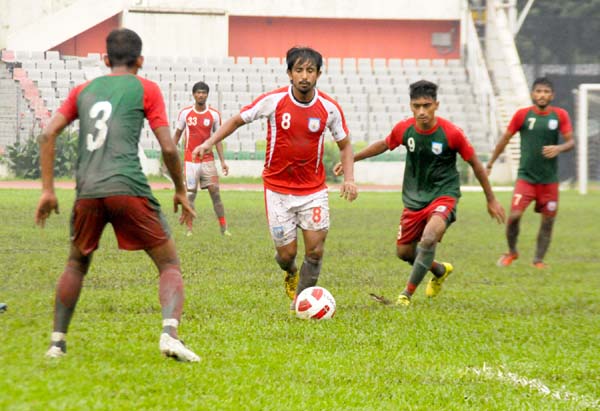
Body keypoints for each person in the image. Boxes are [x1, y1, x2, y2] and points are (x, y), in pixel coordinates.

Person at [35, 28, 200, 362]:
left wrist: (48, 190)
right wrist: (181, 190)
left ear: (105, 59)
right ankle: (170, 334)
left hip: (88, 191)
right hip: (129, 188)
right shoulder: (145, 88)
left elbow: (48, 132)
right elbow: (168, 145)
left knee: (76, 263)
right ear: (140, 60)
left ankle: (56, 344)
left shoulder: (83, 89)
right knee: (168, 263)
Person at [192, 46, 358, 306]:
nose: (305, 76)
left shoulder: (330, 108)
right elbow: (237, 120)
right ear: (289, 73)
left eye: (310, 70)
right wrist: (210, 142)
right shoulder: (273, 101)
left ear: (319, 74)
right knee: (285, 255)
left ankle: (299, 306)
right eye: (299, 70)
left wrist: (349, 178)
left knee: (315, 251)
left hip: (313, 190)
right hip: (278, 190)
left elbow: (345, 145)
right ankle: (291, 272)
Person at [335, 80, 505, 306]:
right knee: (404, 252)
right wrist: (352, 158)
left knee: (428, 238)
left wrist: (491, 199)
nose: (422, 111)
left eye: (427, 105)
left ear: (436, 105)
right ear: (410, 106)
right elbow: (385, 144)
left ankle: (405, 295)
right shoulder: (405, 129)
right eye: (417, 106)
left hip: (444, 194)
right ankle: (440, 270)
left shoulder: (452, 133)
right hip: (414, 199)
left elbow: (475, 164)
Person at [486, 77, 574, 269]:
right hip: (526, 178)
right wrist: (491, 162)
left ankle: (538, 261)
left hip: (549, 180)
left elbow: (571, 142)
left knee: (548, 221)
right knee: (515, 216)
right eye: (539, 91)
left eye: (546, 92)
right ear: (533, 94)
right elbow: (505, 139)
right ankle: (511, 252)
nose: (542, 95)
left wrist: (559, 148)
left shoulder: (560, 115)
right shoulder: (522, 115)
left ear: (552, 95)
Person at [173, 81, 231, 236]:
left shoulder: (214, 115)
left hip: (208, 160)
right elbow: (177, 134)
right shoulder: (185, 113)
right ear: (193, 94)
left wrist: (223, 161)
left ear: (207, 95)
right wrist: (170, 154)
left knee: (215, 193)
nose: (201, 95)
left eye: (204, 92)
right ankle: (189, 229)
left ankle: (224, 227)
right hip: (190, 161)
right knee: (191, 194)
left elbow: (217, 139)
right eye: (198, 92)